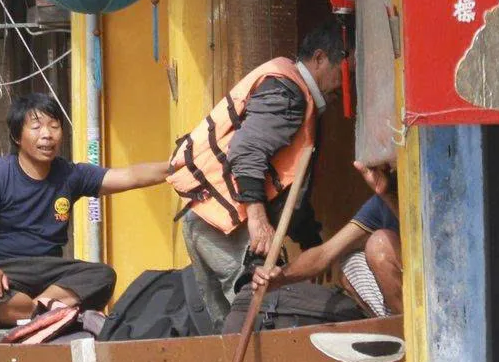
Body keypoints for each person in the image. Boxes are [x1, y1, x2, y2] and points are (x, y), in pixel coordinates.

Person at [167, 23, 346, 325]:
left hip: (209, 221)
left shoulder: (292, 89)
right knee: (260, 311)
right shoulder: (288, 92)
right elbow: (246, 152)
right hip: (226, 228)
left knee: (232, 323)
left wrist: (310, 240)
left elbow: (287, 183)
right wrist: (259, 220)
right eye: (344, 69)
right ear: (319, 58)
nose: (345, 81)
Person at [0, 93, 174, 327]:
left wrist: (175, 167)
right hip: (6, 270)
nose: (47, 135)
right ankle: (40, 311)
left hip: (51, 272)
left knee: (102, 276)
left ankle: (36, 310)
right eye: (36, 127)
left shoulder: (70, 174)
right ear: (16, 136)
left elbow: (130, 176)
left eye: (54, 126)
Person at [251, 158, 402, 317]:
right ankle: (398, 326)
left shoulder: (425, 192)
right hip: (404, 301)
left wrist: (388, 196)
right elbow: (325, 254)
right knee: (351, 265)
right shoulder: (379, 204)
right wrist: (280, 277)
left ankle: (417, 331)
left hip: (427, 290)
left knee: (379, 244)